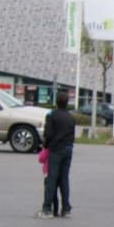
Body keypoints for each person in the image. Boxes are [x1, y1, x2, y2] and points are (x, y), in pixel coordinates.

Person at [39, 89, 76, 218]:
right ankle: (66, 208)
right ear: (67, 103)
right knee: (64, 179)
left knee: (52, 179)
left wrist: (45, 145)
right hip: (68, 148)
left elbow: (48, 134)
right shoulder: (71, 117)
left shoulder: (52, 115)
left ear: (56, 102)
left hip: (56, 149)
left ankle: (47, 208)